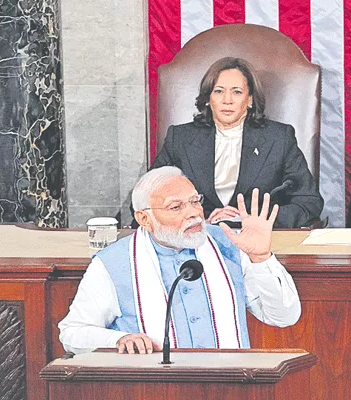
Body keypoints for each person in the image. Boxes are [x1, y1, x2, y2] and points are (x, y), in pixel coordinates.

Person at [59, 166, 301, 354]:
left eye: (195, 201)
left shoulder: (230, 245)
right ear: (144, 219)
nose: (194, 213)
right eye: (176, 207)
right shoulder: (113, 264)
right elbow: (72, 334)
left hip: (231, 387)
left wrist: (261, 258)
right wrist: (118, 340)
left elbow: (283, 316)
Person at [151, 57, 323, 228]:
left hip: (259, 237)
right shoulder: (180, 138)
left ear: (249, 100)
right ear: (208, 99)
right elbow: (147, 199)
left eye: (237, 92)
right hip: (197, 238)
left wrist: (248, 219)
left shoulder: (279, 138)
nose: (227, 100)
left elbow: (308, 202)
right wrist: (199, 219)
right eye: (218, 91)